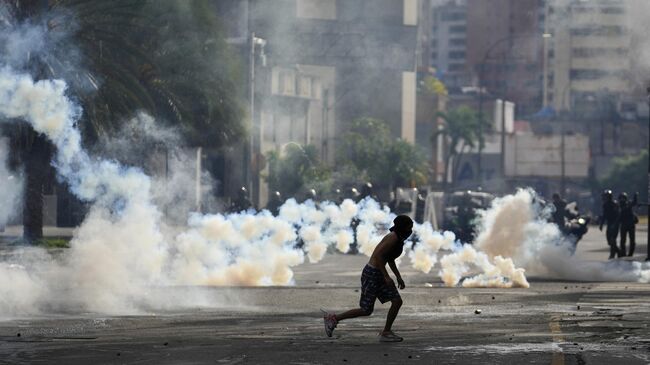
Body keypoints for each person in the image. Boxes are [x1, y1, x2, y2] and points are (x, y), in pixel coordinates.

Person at [322, 215, 413, 342]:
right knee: (366, 310)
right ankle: (333, 318)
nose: (410, 231)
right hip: (372, 273)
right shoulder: (393, 238)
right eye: (409, 227)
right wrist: (387, 277)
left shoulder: (397, 238)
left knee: (397, 301)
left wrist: (398, 277)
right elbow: (380, 257)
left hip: (379, 273)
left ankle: (386, 332)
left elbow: (390, 259)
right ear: (403, 227)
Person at [599, 190, 622, 259]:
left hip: (615, 223)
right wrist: (601, 224)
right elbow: (604, 215)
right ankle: (618, 252)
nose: (604, 198)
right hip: (609, 224)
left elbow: (618, 215)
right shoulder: (605, 205)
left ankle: (612, 255)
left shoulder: (614, 204)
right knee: (609, 241)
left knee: (613, 239)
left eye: (606, 196)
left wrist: (615, 224)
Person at [618, 192, 638, 257]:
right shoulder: (618, 206)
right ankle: (623, 253)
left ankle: (630, 254)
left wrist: (635, 196)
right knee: (622, 241)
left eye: (623, 198)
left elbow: (634, 202)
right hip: (623, 225)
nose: (622, 200)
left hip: (630, 224)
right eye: (621, 198)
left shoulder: (629, 204)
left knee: (632, 240)